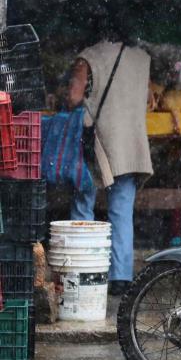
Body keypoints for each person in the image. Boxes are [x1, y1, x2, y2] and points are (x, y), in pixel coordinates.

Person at [67, 20, 153, 296]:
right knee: (122, 210)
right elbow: (148, 99)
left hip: (99, 143)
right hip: (130, 144)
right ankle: (121, 277)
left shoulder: (89, 57)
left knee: (84, 202)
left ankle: (83, 270)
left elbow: (73, 97)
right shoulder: (142, 58)